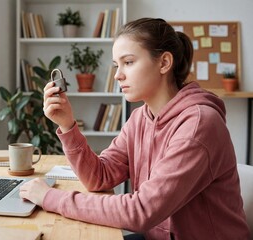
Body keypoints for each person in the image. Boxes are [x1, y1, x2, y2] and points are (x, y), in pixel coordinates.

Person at [19, 18, 250, 239]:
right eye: (116, 65)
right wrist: (67, 125)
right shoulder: (141, 118)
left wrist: (50, 197)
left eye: (128, 62)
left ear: (164, 63)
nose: (118, 75)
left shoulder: (198, 125)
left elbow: (141, 211)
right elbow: (99, 177)